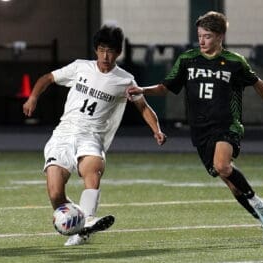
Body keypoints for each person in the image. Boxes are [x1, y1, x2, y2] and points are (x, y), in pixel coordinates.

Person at [127, 11, 263, 245]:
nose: (202, 41)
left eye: (208, 36)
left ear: (220, 36)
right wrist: (143, 89)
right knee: (232, 184)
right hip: (200, 129)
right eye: (200, 36)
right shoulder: (188, 59)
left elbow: (258, 83)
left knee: (222, 165)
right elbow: (165, 86)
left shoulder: (234, 62)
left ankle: (258, 203)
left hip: (227, 125)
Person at [23, 25, 166, 246]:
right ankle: (79, 225)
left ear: (118, 52)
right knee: (54, 193)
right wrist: (32, 98)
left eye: (110, 51)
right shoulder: (80, 67)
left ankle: (87, 221)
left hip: (92, 135)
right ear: (95, 50)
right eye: (101, 49)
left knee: (92, 168)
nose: (105, 56)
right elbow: (47, 78)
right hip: (64, 134)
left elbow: (144, 108)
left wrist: (156, 130)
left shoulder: (125, 80)